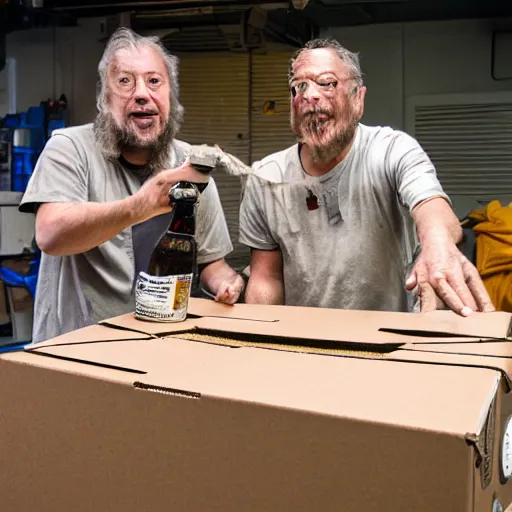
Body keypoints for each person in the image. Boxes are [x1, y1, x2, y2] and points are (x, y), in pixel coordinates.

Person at [19, 27, 244, 343]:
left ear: (169, 95)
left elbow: (212, 263)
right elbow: (51, 234)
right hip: (78, 350)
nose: (142, 93)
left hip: (163, 345)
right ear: (105, 98)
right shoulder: (69, 147)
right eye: (125, 81)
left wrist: (226, 285)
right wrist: (143, 204)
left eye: (154, 81)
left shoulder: (189, 167)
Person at [239, 37, 494, 316]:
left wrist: (437, 244)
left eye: (327, 83)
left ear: (358, 99)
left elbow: (431, 205)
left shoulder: (391, 150)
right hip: (305, 339)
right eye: (300, 86)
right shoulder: (265, 177)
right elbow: (267, 277)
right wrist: (259, 331)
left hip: (384, 337)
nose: (311, 95)